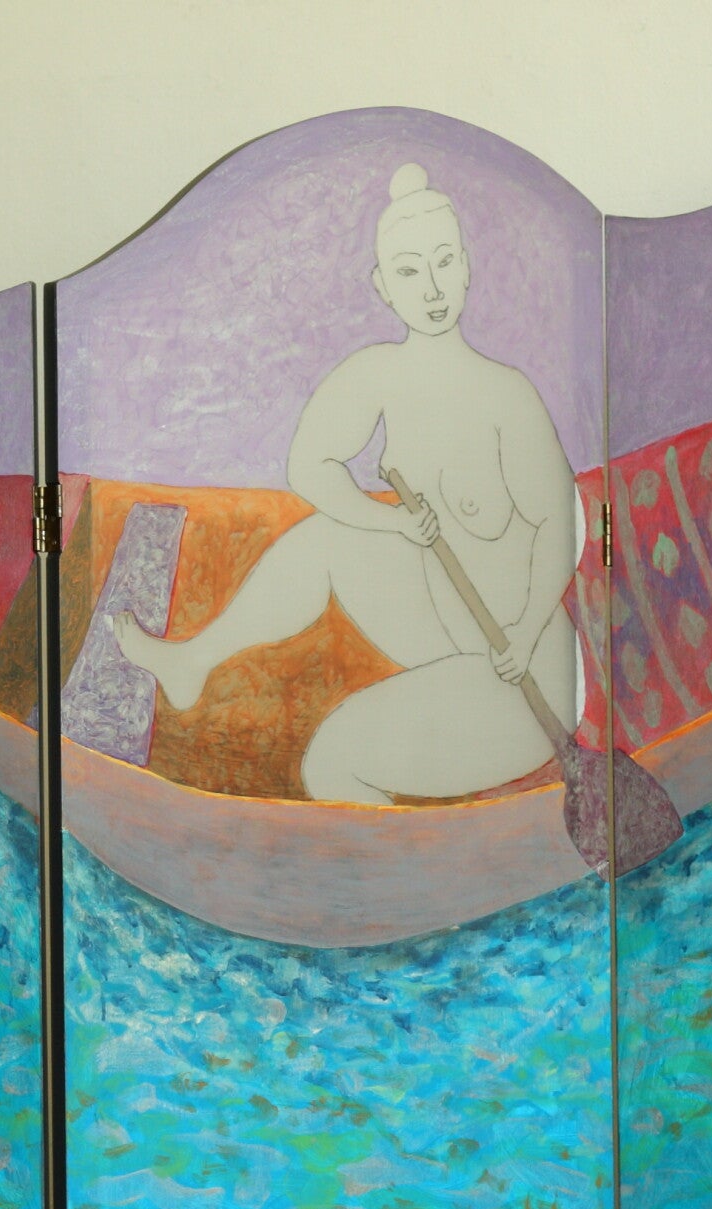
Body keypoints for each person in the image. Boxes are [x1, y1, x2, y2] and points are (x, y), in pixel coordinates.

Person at [113, 164, 580, 804]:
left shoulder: (507, 395)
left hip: (521, 673)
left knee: (330, 766)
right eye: (410, 272)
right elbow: (308, 466)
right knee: (328, 539)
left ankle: (418, 867)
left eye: (445, 263)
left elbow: (561, 524)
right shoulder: (379, 374)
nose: (432, 288)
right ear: (384, 287)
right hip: (446, 627)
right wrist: (392, 522)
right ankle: (192, 661)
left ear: (467, 267)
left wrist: (524, 635)